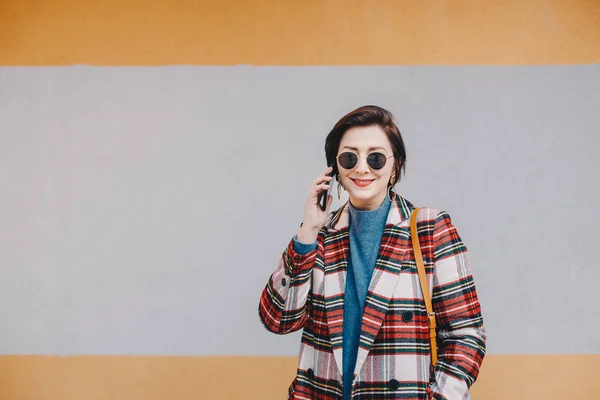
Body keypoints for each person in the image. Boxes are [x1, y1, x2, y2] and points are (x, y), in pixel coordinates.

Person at [259, 105, 486, 399]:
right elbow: (278, 319)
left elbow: (466, 334)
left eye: (376, 158)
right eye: (349, 157)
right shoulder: (322, 235)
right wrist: (308, 232)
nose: (362, 168)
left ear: (395, 166)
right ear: (335, 169)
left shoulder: (429, 229)